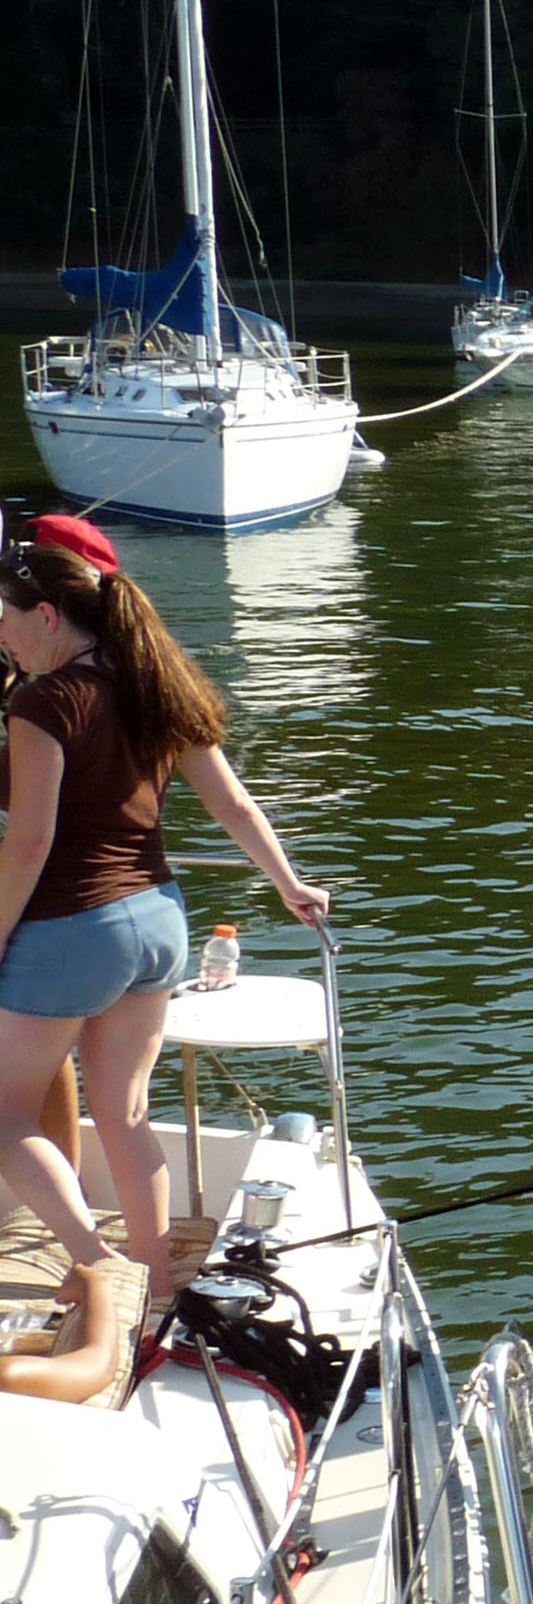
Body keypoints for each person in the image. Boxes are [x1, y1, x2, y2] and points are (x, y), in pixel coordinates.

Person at [0, 516, 326, 1351]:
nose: (0, 635)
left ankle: (96, 1263)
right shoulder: (156, 685)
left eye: (4, 617)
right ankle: (154, 1283)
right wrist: (289, 883)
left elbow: (29, 841)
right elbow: (235, 804)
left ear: (46, 615)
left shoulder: (43, 701)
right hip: (158, 921)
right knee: (126, 1111)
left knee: (4, 1117)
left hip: (75, 927)